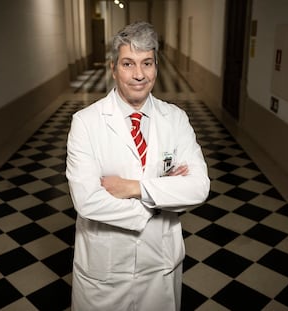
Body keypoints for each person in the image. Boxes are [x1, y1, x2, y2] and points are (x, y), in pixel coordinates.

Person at [66, 21, 210, 311]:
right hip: (104, 269)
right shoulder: (86, 122)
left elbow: (198, 187)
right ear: (113, 68)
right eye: (128, 63)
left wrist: (133, 188)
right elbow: (87, 201)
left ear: (157, 66)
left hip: (160, 263)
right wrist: (161, 197)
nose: (139, 74)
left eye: (147, 63)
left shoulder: (176, 119)